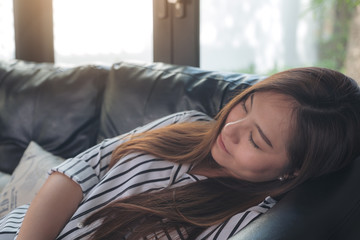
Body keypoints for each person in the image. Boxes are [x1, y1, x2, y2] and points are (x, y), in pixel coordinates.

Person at [0, 67, 359, 240]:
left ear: (292, 171)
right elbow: (79, 172)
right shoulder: (188, 121)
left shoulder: (247, 220)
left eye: (256, 140)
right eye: (244, 106)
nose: (229, 129)